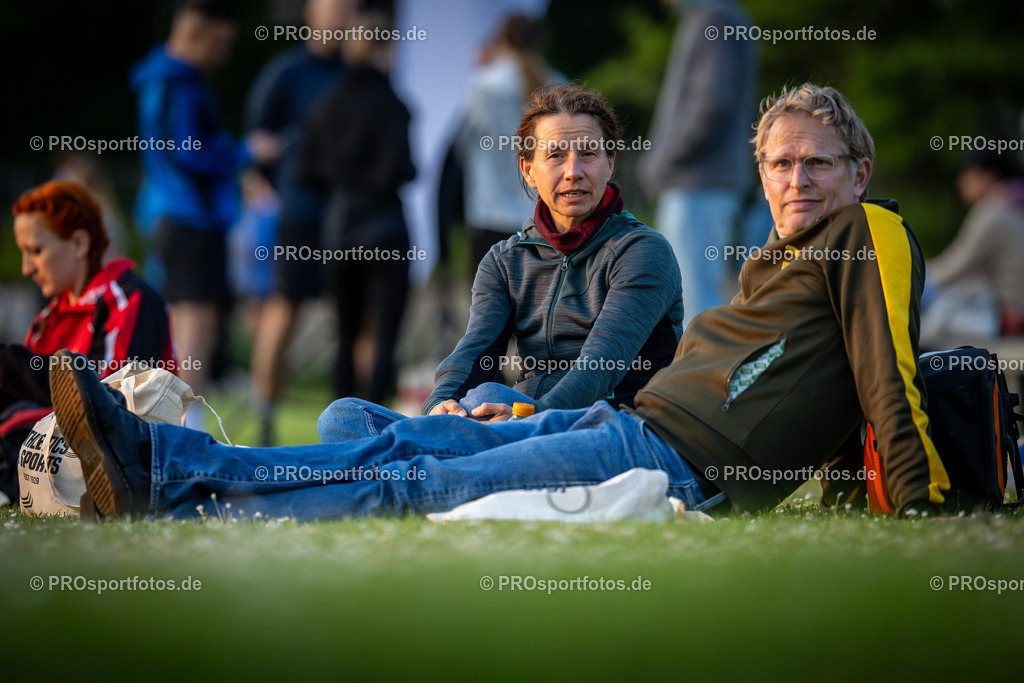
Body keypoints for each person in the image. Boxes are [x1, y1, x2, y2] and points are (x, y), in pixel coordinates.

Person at [52, 83, 951, 522]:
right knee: (406, 438)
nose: (796, 179)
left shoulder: (864, 230)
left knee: (419, 477)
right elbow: (818, 383)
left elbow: (888, 373)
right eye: (780, 163)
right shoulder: (782, 259)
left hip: (660, 452)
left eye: (817, 162)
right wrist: (843, 487)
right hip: (633, 427)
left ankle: (173, 488)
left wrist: (911, 502)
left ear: (859, 173)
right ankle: (159, 460)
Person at [316, 83, 683, 441]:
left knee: (484, 401)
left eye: (588, 153)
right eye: (555, 155)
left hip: (613, 428)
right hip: (519, 424)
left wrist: (529, 418)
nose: (573, 171)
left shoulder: (642, 251)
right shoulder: (506, 260)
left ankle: (426, 460)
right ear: (528, 170)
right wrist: (439, 405)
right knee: (343, 416)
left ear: (610, 163)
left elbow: (599, 368)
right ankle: (447, 457)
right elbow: (476, 350)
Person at [129, 0, 279, 426]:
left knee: (193, 323)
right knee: (192, 325)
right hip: (188, 219)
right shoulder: (176, 83)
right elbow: (185, 152)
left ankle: (182, 428)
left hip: (182, 219)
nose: (224, 53)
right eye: (219, 42)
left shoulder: (167, 80)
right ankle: (185, 431)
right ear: (194, 31)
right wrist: (244, 152)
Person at [1, 180, 174, 503]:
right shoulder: (48, 317)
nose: (27, 269)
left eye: (36, 251)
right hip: (62, 451)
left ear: (79, 244)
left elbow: (110, 399)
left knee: (16, 421)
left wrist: (10, 366)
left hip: (139, 456)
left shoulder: (129, 298)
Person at [243, 0, 354, 445]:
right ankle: (265, 419)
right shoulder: (286, 73)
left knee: (355, 318)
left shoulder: (359, 75)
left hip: (349, 218)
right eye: (332, 6)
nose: (340, 15)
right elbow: (254, 146)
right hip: (300, 215)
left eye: (348, 8)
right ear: (311, 11)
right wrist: (267, 195)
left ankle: (354, 421)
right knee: (282, 311)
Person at [297, 10, 414, 406]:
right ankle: (378, 423)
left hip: (340, 228)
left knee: (345, 334)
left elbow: (305, 169)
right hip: (385, 226)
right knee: (385, 335)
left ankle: (340, 423)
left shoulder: (328, 103)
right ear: (386, 49)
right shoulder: (395, 104)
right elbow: (406, 168)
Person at [640, 0, 757, 326]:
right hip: (703, 182)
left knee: (695, 302)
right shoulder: (713, 16)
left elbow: (712, 104)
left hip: (698, 182)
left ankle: (706, 377)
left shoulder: (715, 17)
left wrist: (663, 161)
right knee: (695, 297)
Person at [457, 13, 564, 267]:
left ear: (502, 40)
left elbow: (462, 145)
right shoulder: (559, 85)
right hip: (543, 218)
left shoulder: (484, 84)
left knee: (490, 304)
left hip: (490, 213)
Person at [920, 151, 1024, 345]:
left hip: (1008, 316)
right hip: (1008, 309)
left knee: (923, 315)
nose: (960, 183)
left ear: (989, 176)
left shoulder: (994, 212)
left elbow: (953, 267)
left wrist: (909, 276)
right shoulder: (1014, 204)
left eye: (967, 175)